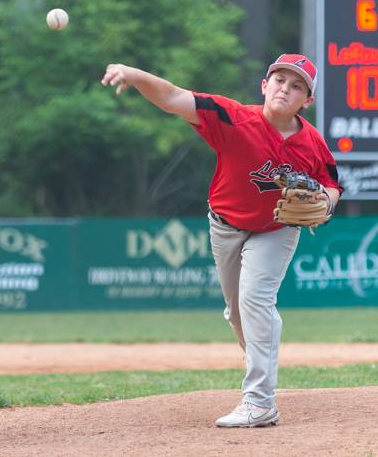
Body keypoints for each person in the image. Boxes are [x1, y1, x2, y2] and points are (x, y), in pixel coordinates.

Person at [101, 54, 342, 427]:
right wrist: (133, 74)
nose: (286, 89)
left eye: (297, 86)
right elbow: (172, 97)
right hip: (226, 225)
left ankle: (260, 402)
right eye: (280, 80)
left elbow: (330, 184)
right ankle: (261, 367)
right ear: (265, 86)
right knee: (237, 312)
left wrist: (325, 202)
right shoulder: (233, 117)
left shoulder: (311, 143)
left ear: (307, 101)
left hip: (277, 229)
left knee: (255, 301)